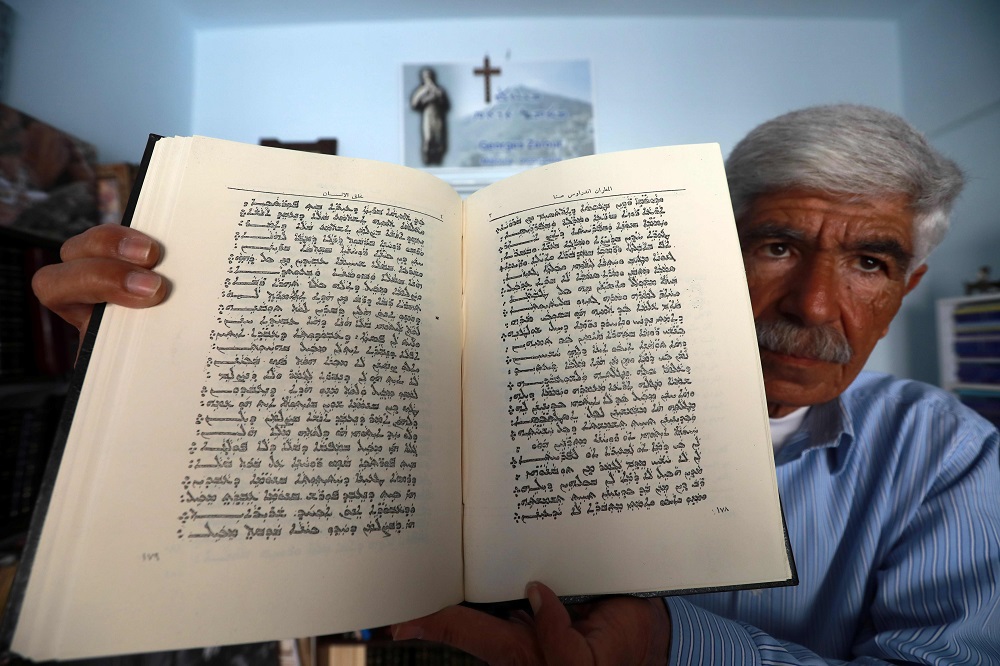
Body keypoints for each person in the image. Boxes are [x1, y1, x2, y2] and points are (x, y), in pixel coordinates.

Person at [31, 105, 1000, 664]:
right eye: (777, 245)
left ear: (908, 286)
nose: (818, 306)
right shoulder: (512, 395)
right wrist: (140, 375)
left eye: (869, 264)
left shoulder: (949, 459)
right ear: (698, 246)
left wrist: (667, 646)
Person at [410, 66, 450, 166]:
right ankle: (428, 159)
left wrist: (436, 93)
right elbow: (414, 103)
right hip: (427, 116)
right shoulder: (421, 91)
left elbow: (445, 104)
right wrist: (425, 93)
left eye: (429, 76)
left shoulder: (439, 90)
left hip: (438, 116)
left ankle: (438, 159)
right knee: (428, 138)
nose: (428, 78)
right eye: (426, 76)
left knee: (438, 138)